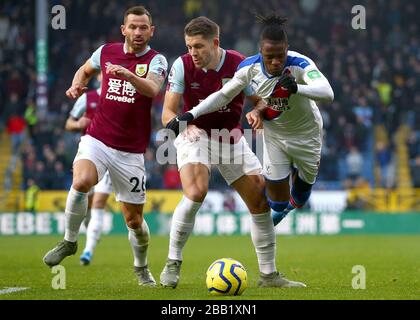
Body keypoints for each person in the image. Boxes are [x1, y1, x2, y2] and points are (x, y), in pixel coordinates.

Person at [161, 16, 305, 289]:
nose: (193, 53)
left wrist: (258, 112)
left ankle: (269, 275)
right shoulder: (181, 65)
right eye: (189, 46)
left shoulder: (240, 63)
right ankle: (173, 261)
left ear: (215, 42)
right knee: (196, 191)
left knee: (260, 203)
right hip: (196, 134)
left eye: (199, 46)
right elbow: (167, 112)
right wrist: (183, 125)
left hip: (230, 138)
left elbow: (259, 100)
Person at [167, 14, 334, 226]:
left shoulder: (300, 63)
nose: (275, 62)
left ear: (287, 49)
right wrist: (191, 114)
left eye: (280, 56)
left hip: (307, 135)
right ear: (260, 51)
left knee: (301, 197)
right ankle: (281, 211)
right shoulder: (248, 68)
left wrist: (296, 88)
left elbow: (328, 93)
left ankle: (294, 204)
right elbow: (223, 95)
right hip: (275, 135)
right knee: (276, 202)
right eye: (269, 56)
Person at [43, 6, 168, 287]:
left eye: (143, 27)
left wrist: (128, 76)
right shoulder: (105, 51)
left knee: (134, 221)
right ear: (123, 29)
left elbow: (152, 90)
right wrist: (77, 84)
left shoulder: (156, 60)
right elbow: (85, 70)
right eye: (132, 27)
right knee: (82, 181)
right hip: (97, 138)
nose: (138, 32)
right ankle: (70, 241)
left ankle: (141, 267)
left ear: (151, 31)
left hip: (131, 151)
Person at [64, 72, 112, 266]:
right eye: (103, 73)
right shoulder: (88, 98)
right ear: (99, 77)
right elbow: (68, 123)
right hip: (89, 157)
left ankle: (88, 250)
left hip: (112, 156)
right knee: (86, 202)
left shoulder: (123, 98)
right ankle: (92, 231)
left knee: (99, 203)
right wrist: (78, 124)